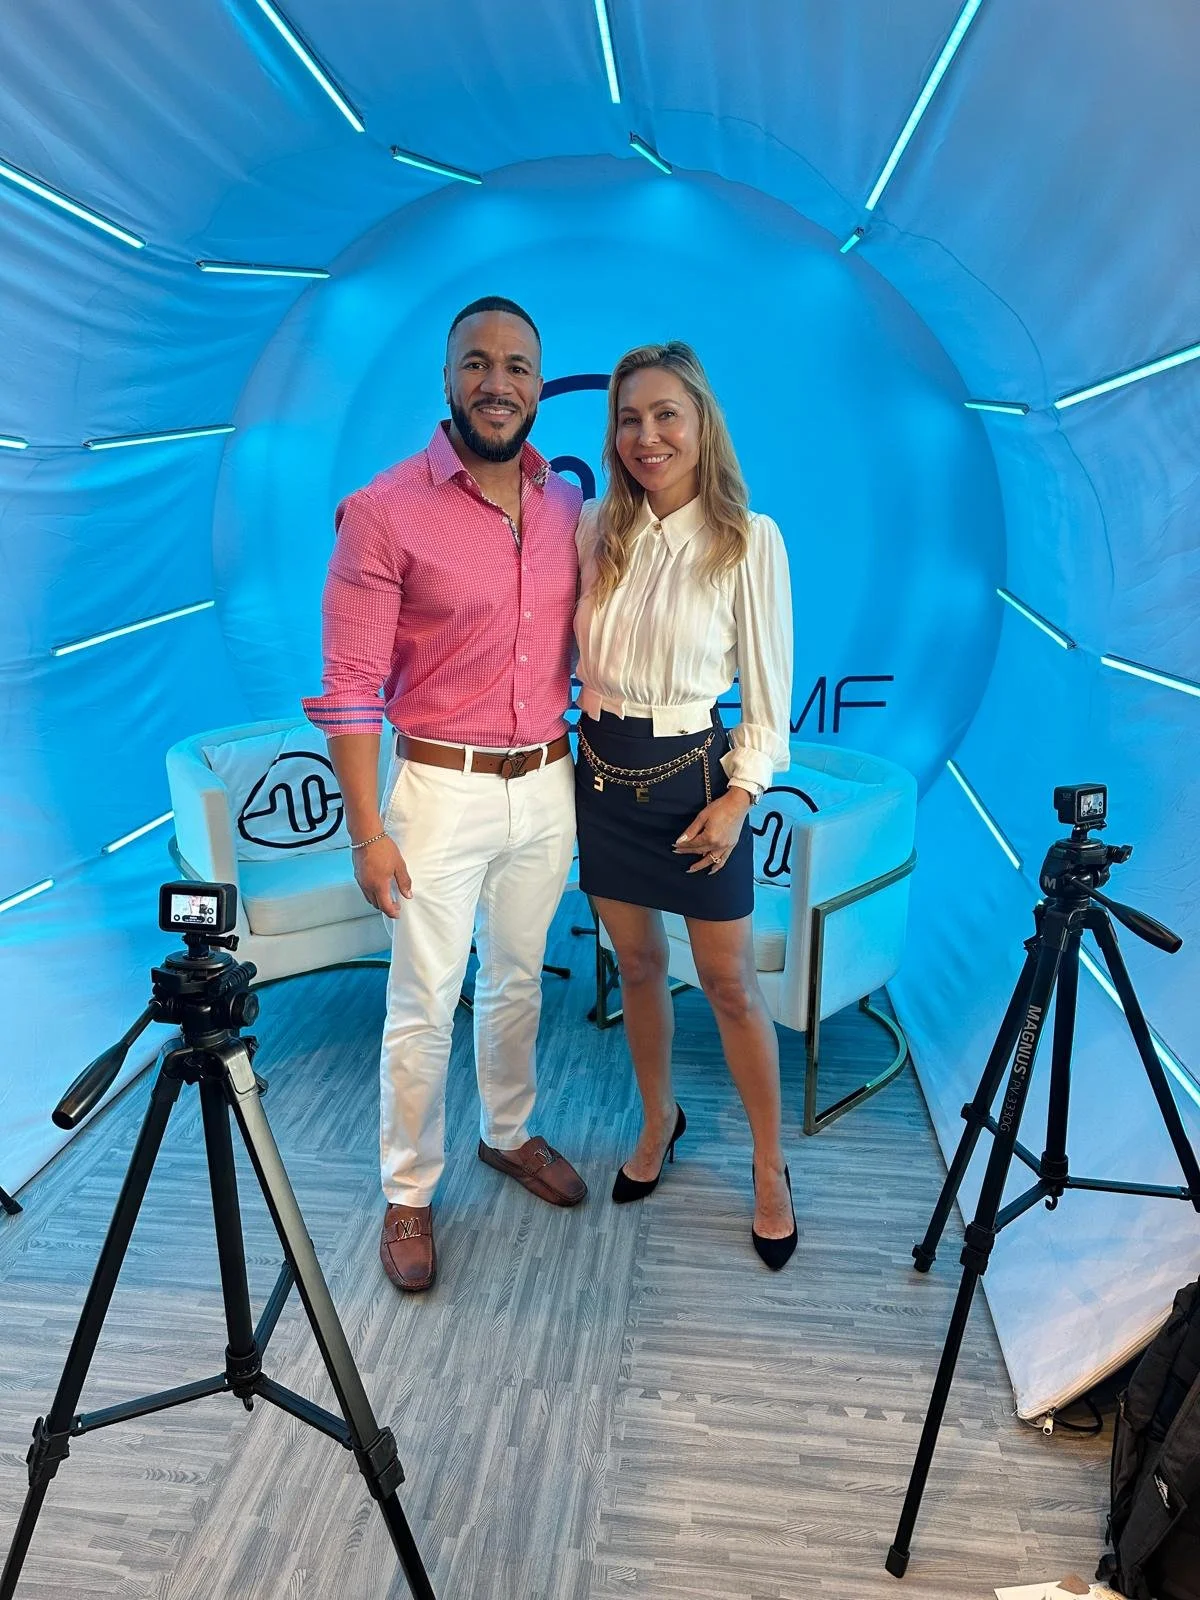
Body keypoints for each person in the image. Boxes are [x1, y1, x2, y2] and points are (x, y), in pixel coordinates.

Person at [303, 296, 587, 1294]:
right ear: (447, 380)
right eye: (477, 363)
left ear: (540, 387)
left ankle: (507, 1132)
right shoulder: (384, 512)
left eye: (517, 365)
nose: (497, 382)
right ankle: (409, 1189)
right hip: (436, 789)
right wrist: (366, 833)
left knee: (517, 977)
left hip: (547, 785)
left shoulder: (563, 504)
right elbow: (346, 691)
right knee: (423, 999)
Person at [574, 341, 796, 1268]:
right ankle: (659, 1120)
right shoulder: (592, 528)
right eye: (629, 418)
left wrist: (742, 796)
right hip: (598, 769)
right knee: (633, 967)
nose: (646, 436)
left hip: (697, 779)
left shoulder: (750, 536)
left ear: (702, 424)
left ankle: (771, 1164)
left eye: (667, 415)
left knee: (731, 985)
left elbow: (772, 700)